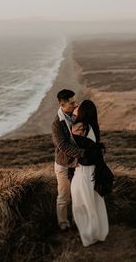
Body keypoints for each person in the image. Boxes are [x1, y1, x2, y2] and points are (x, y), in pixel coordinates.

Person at [70, 100, 109, 247]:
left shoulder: (80, 127)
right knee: (94, 201)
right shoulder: (93, 127)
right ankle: (98, 232)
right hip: (93, 170)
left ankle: (89, 235)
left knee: (81, 203)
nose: (76, 107)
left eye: (79, 107)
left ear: (83, 112)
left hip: (84, 171)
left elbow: (70, 145)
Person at [51, 89, 84, 231]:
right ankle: (63, 223)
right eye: (72, 103)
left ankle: (77, 221)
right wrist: (83, 154)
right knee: (64, 196)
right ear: (62, 105)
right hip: (63, 164)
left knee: (78, 194)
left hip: (77, 164)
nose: (75, 105)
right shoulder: (57, 124)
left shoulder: (76, 115)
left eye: (75, 101)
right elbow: (62, 145)